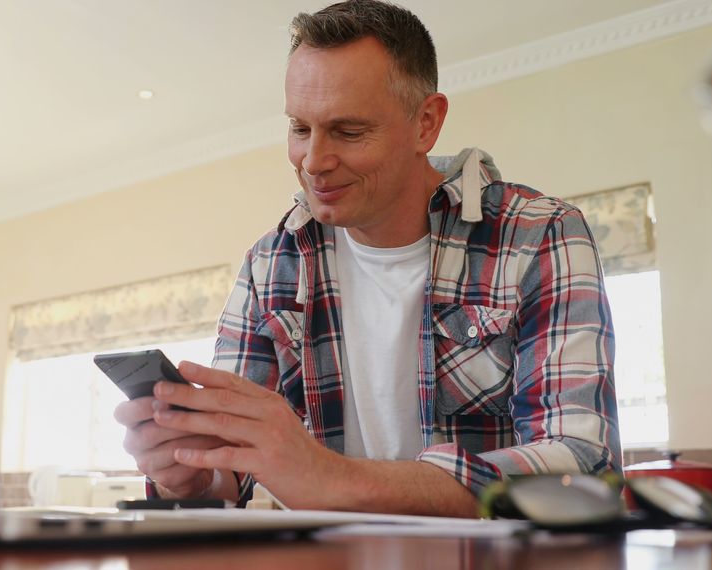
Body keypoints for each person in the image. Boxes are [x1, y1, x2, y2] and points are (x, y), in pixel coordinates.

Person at [113, 0, 621, 518]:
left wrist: (334, 479)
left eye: (349, 132)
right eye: (299, 128)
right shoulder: (270, 264)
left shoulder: (539, 234)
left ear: (426, 123)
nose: (313, 162)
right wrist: (190, 475)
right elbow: (231, 474)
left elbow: (580, 467)